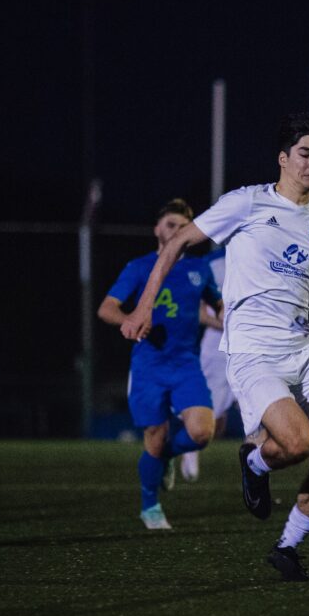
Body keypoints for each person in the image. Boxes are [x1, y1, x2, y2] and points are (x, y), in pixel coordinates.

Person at [120, 113, 309, 581]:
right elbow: (177, 244)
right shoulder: (247, 203)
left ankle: (288, 546)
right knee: (298, 442)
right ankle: (253, 460)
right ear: (283, 159)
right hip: (252, 350)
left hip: (303, 350)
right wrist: (143, 306)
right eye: (305, 154)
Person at [98, 198, 223, 530]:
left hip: (186, 365)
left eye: (184, 227)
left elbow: (218, 305)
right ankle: (150, 506)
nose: (176, 232)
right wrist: (129, 319)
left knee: (201, 432)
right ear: (157, 228)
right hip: (148, 366)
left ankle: (168, 456)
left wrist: (232, 320)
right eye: (170, 225)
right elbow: (107, 308)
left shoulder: (199, 269)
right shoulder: (139, 267)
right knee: (154, 435)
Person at [181, 246, 232, 482]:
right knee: (214, 422)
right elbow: (198, 311)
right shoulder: (211, 263)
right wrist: (226, 326)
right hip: (219, 346)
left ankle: (257, 471)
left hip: (256, 345)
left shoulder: (263, 251)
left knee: (264, 412)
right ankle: (187, 448)